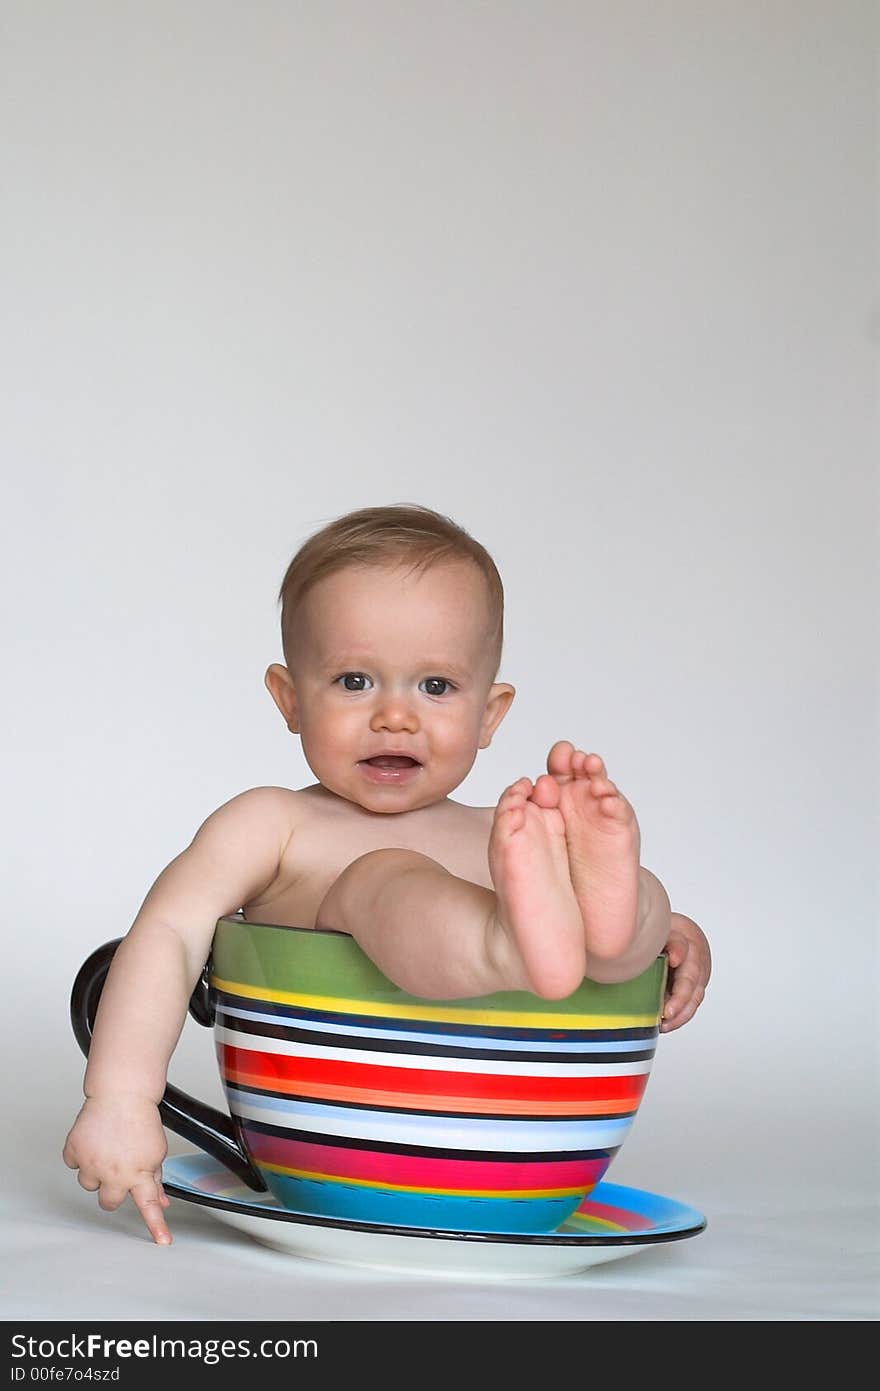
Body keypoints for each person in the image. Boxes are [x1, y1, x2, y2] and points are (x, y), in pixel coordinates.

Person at [63, 504, 711, 1244]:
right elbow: (169, 935)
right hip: (350, 1109)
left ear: (490, 714)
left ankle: (619, 929)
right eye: (354, 680)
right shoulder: (273, 824)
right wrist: (121, 1095)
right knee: (384, 876)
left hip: (501, 1124)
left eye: (436, 687)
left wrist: (674, 943)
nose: (396, 717)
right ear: (289, 698)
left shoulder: (504, 835)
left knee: (611, 908)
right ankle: (516, 946)